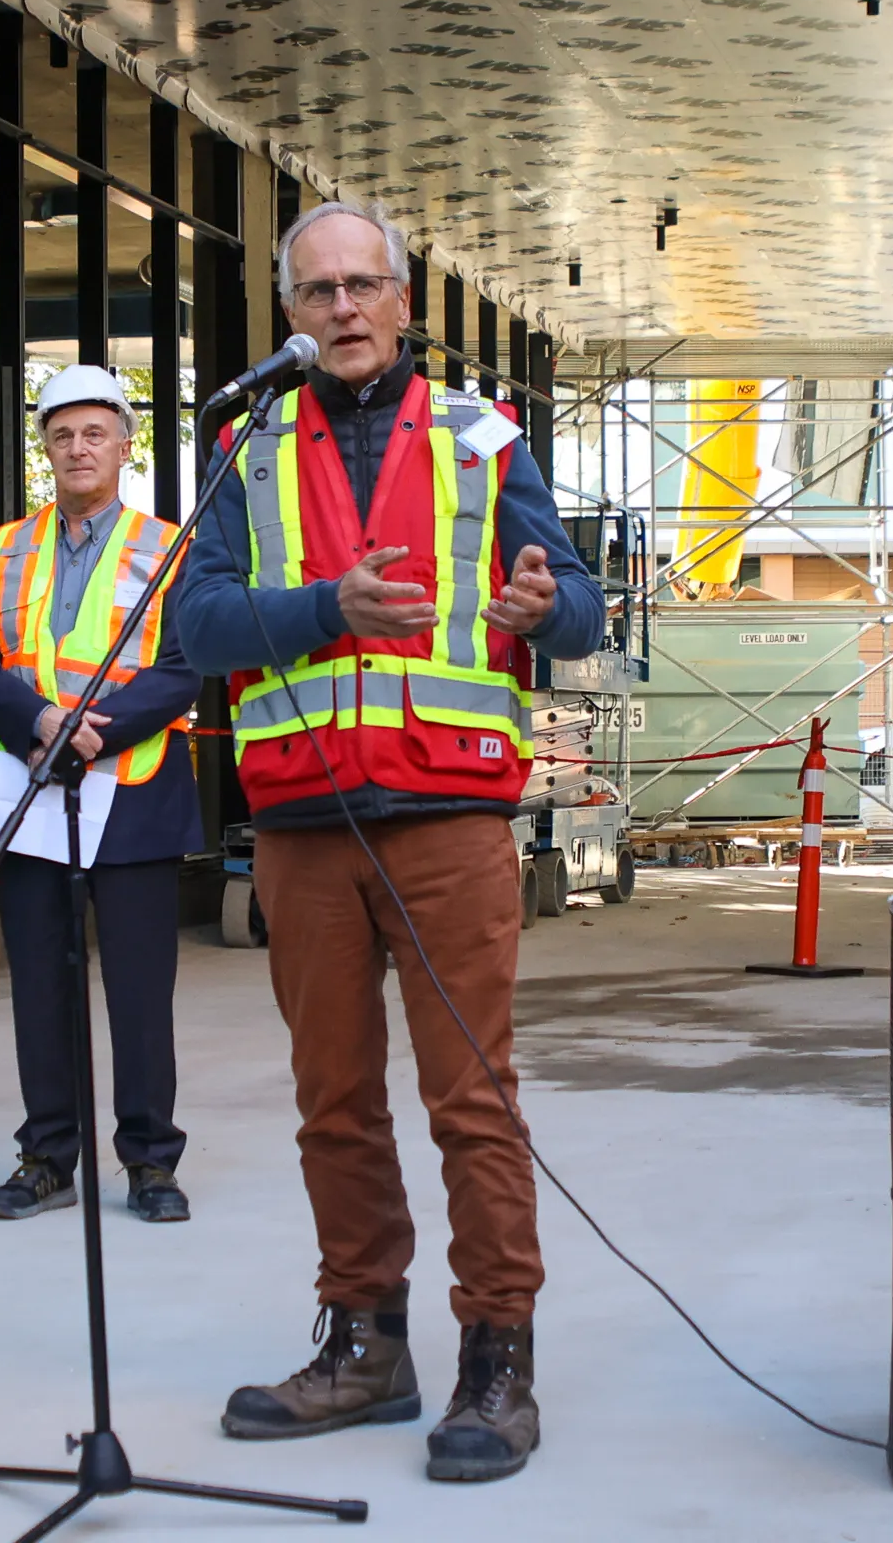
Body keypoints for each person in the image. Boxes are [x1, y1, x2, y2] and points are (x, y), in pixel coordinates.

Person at [172, 203, 602, 1482]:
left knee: (471, 1097)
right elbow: (197, 627)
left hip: (452, 817)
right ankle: (365, 1344)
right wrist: (325, 609)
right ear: (290, 312)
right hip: (303, 824)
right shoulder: (245, 447)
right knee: (333, 1102)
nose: (346, 309)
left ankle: (497, 1358)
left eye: (367, 287)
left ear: (406, 305)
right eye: (320, 291)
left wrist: (548, 604)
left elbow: (576, 600)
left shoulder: (483, 439)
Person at [0, 364, 200, 1224]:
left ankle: (150, 1163)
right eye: (62, 435)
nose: (77, 447)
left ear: (124, 446)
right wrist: (42, 722)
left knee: (138, 994)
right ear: (44, 450)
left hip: (130, 791)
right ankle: (46, 1156)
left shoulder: (171, 545)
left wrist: (97, 728)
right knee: (40, 986)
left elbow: (185, 668)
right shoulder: (9, 546)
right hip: (32, 788)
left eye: (95, 432)